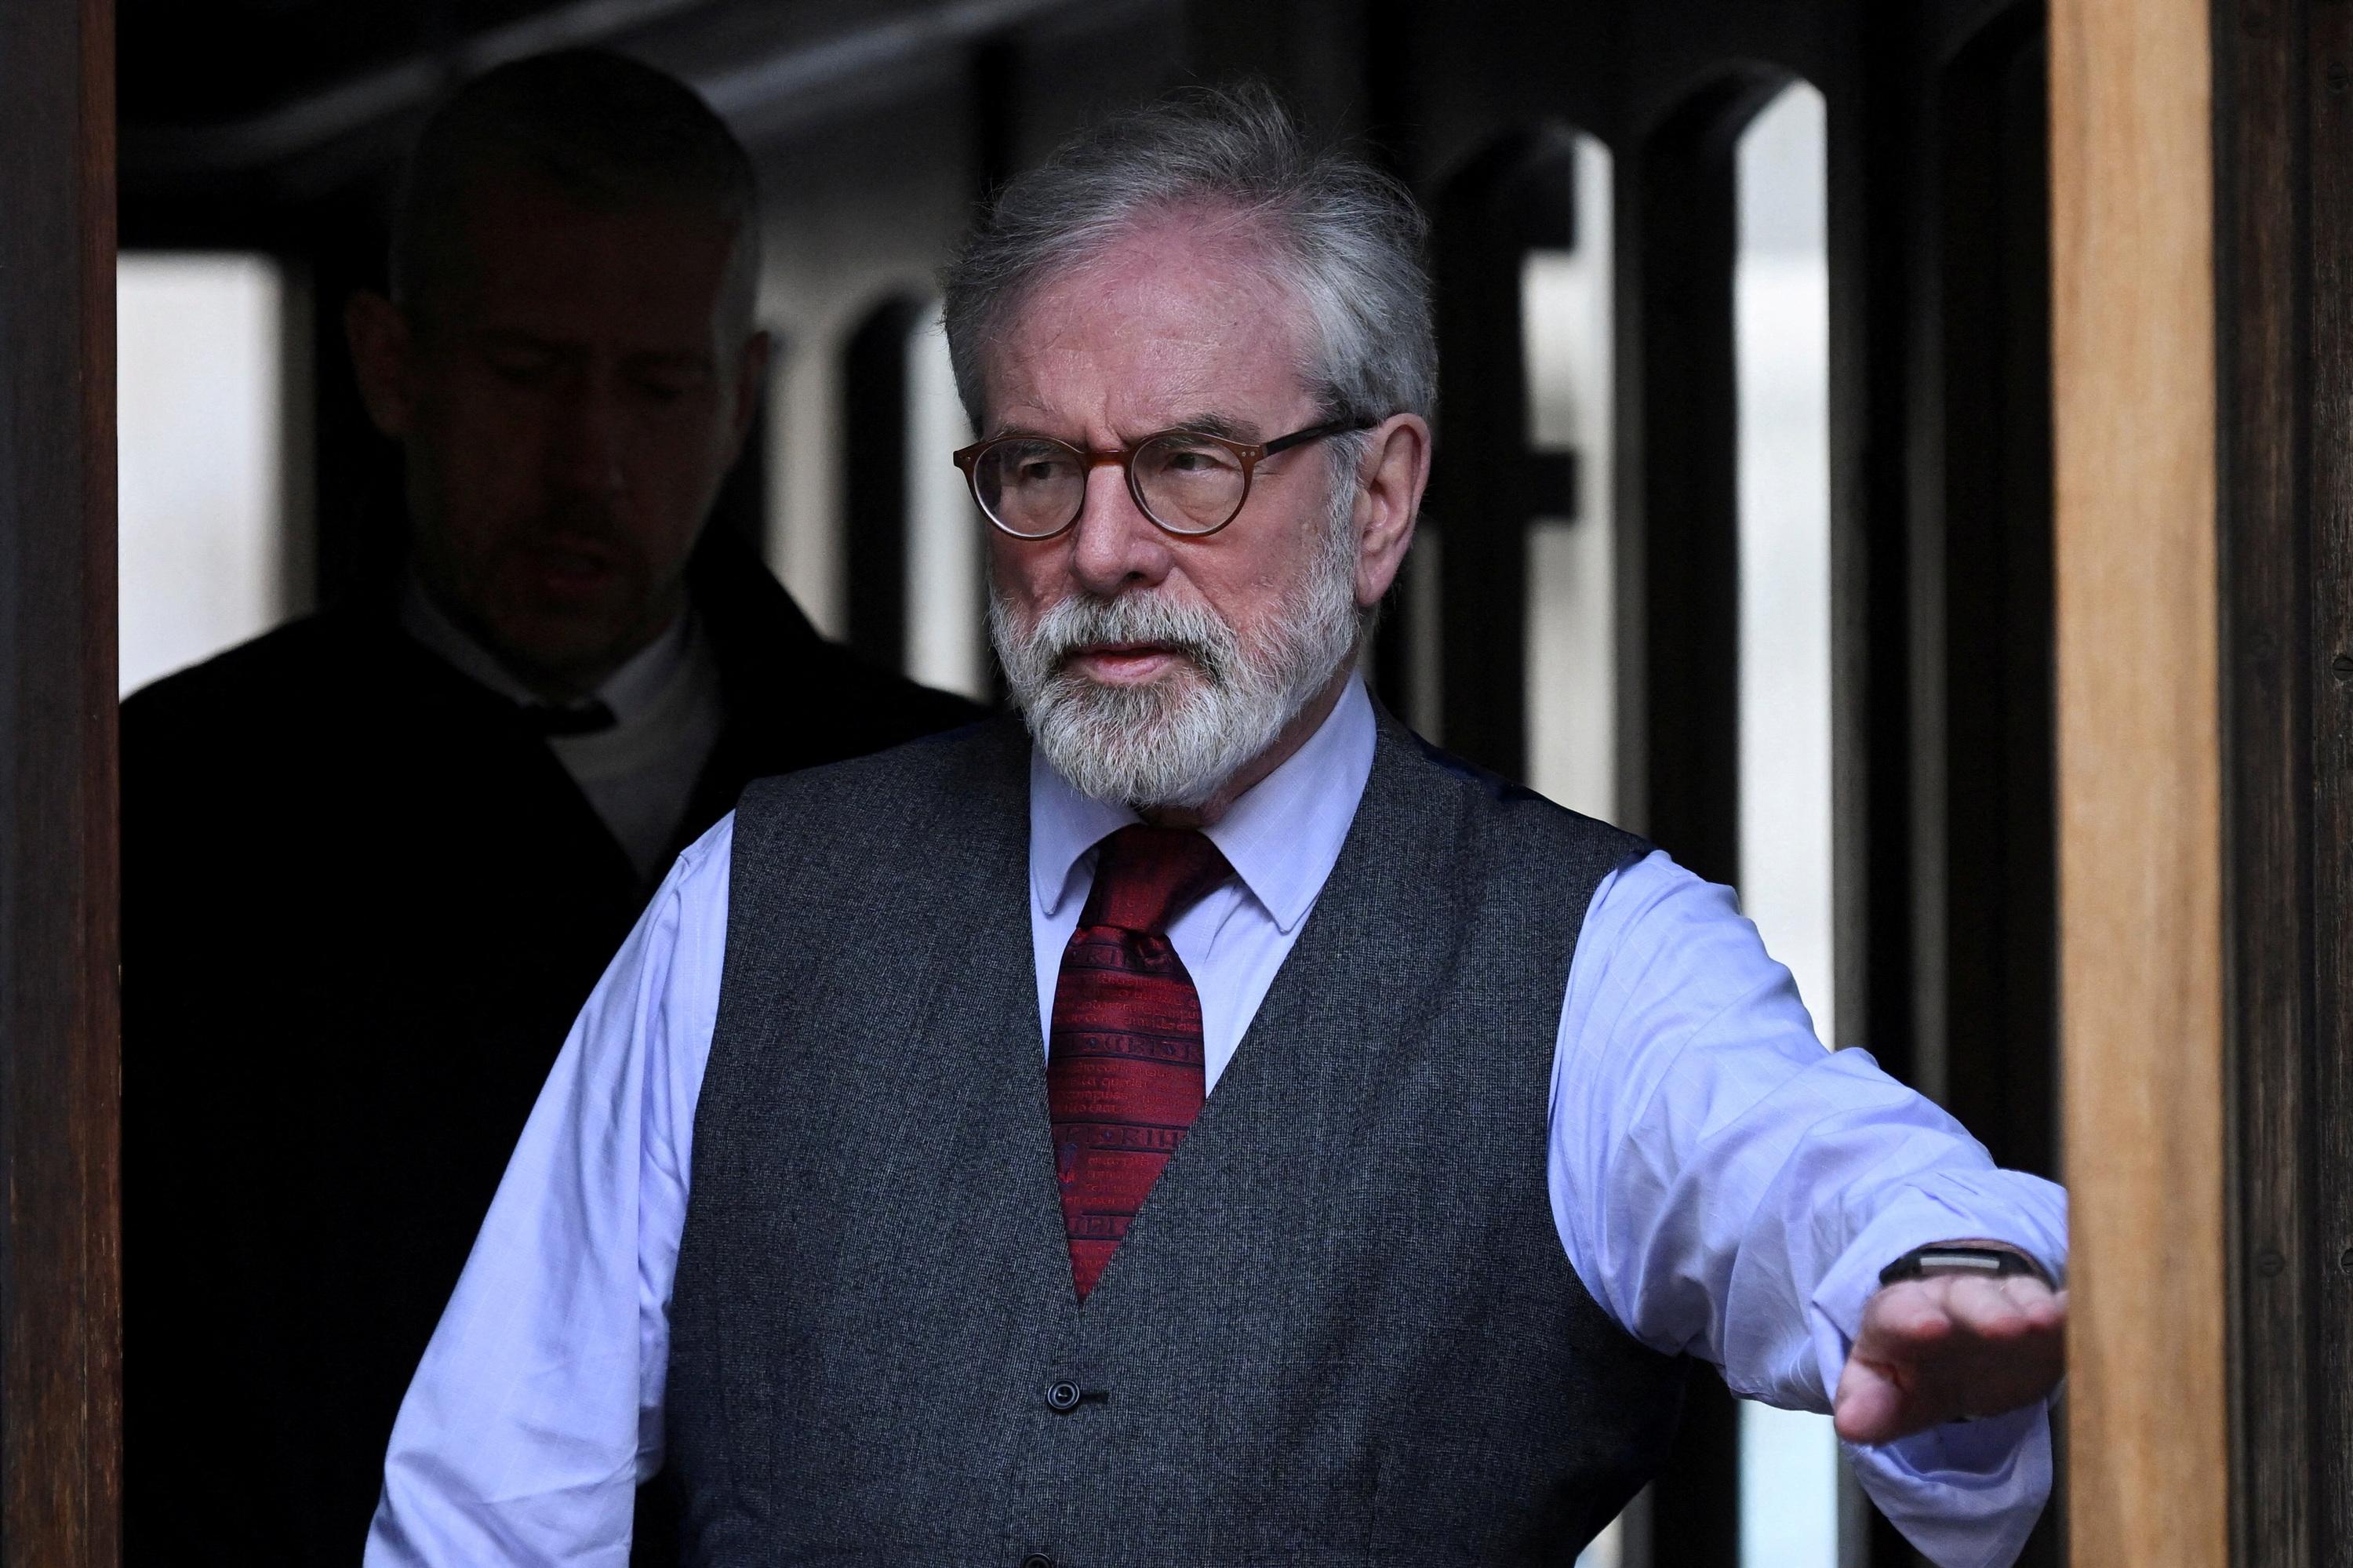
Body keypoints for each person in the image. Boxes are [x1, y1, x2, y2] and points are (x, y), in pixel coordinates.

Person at [365, 85, 2066, 1568]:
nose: (1101, 549)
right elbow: (490, 1511)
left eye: (1191, 463)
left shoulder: (1593, 965)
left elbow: (1802, 1165)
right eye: (1039, 468)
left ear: (1378, 498)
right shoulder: (750, 907)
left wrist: (1939, 1266)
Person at [122, 50, 985, 1566]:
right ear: (393, 366)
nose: (590, 464)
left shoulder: (948, 804)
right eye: (525, 375)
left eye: (656, 388)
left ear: (741, 399)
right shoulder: (166, 811)